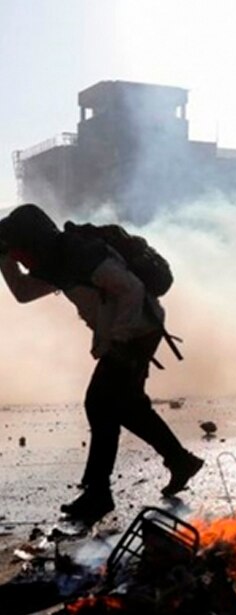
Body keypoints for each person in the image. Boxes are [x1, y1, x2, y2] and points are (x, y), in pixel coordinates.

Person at [0, 204, 203, 523]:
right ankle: (180, 461)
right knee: (128, 406)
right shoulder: (54, 262)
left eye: (18, 249)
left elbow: (132, 290)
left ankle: (98, 493)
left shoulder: (80, 255)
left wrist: (120, 341)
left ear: (32, 241)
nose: (19, 258)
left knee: (99, 403)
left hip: (137, 332)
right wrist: (4, 259)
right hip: (128, 334)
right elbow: (24, 293)